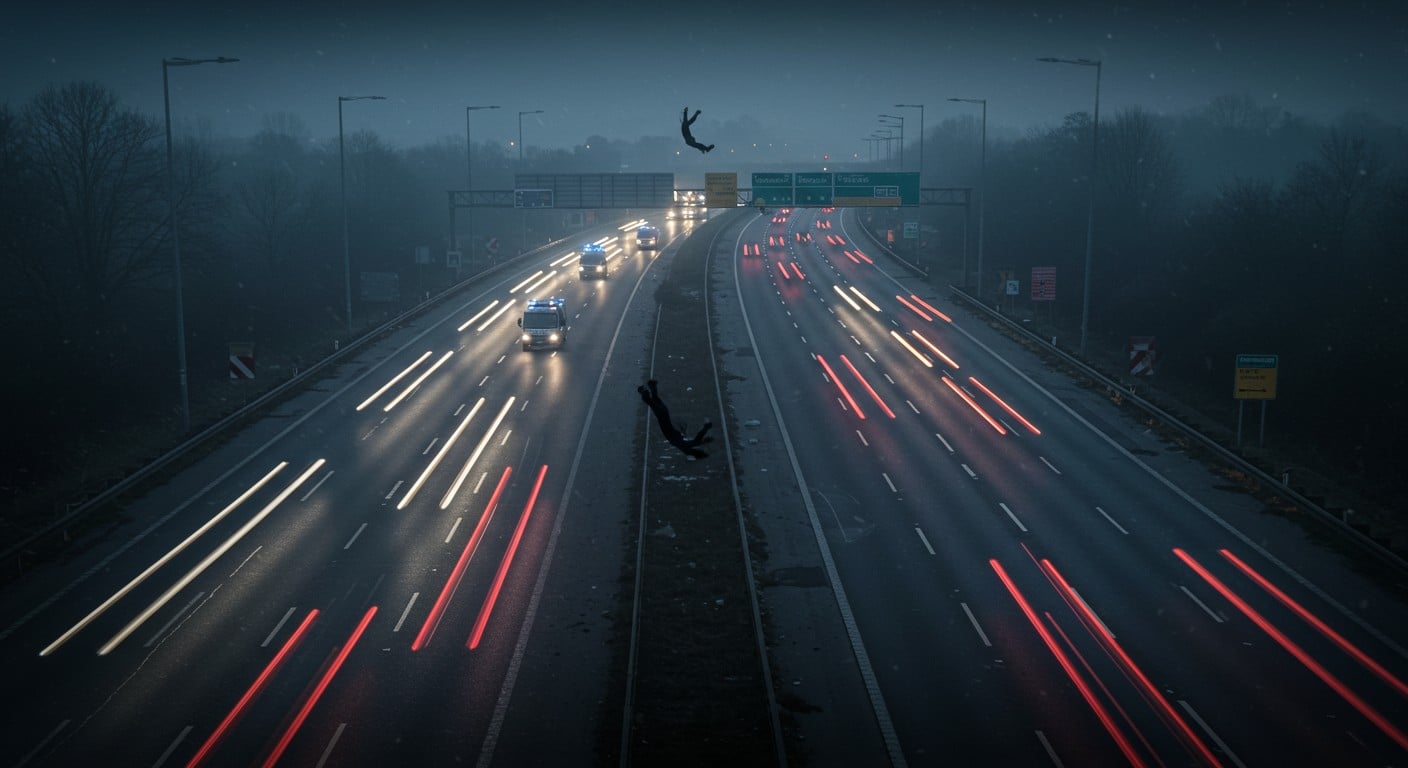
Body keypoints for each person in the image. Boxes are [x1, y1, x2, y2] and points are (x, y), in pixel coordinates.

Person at [637, 379, 713, 458]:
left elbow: (697, 440)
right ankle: (649, 388)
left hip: (665, 419)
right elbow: (697, 441)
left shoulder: (685, 446)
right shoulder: (684, 447)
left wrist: (707, 427)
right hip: (664, 421)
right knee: (655, 403)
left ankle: (648, 388)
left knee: (655, 403)